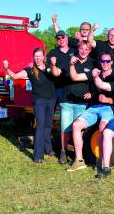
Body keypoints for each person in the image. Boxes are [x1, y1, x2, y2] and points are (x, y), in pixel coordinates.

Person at [2, 48, 56, 163]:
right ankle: (38, 155)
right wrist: (6, 68)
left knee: (48, 125)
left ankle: (48, 149)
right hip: (39, 101)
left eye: (39, 56)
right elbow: (15, 77)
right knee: (40, 125)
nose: (37, 58)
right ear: (33, 57)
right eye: (36, 56)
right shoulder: (30, 70)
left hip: (51, 100)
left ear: (43, 56)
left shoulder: (49, 67)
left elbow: (57, 74)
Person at [66, 52, 114, 172]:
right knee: (76, 125)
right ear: (100, 62)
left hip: (109, 107)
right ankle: (79, 161)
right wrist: (71, 65)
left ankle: (104, 162)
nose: (105, 63)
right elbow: (75, 77)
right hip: (95, 107)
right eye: (103, 61)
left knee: (103, 127)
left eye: (107, 61)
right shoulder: (95, 73)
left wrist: (108, 100)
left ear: (112, 62)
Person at [50, 40, 94, 165]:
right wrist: (53, 65)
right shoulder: (68, 60)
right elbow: (56, 73)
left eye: (86, 49)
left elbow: (94, 82)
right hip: (67, 101)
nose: (84, 51)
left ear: (90, 51)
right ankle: (63, 152)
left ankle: (77, 154)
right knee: (65, 128)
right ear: (78, 49)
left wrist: (92, 93)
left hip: (82, 103)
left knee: (78, 130)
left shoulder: (92, 63)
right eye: (82, 49)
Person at [47, 30, 77, 164]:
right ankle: (59, 148)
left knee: (76, 121)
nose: (61, 39)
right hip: (59, 88)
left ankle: (76, 150)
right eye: (58, 38)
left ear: (67, 38)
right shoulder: (53, 53)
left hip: (75, 89)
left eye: (63, 37)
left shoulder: (75, 50)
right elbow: (48, 69)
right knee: (59, 119)